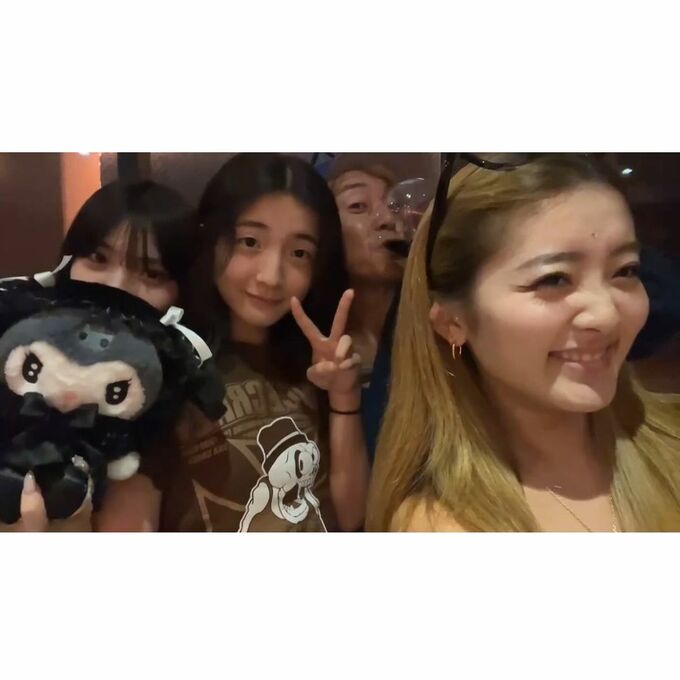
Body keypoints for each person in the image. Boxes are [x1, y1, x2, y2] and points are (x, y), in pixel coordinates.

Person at [366, 154, 680, 532]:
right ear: (453, 322)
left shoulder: (669, 443)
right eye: (554, 279)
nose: (607, 315)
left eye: (625, 271)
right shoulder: (442, 525)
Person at [104, 153, 370, 532]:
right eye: (250, 242)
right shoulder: (165, 368)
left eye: (299, 253)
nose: (271, 276)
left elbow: (352, 517)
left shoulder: (318, 366)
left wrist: (344, 398)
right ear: (210, 238)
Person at [0, 179, 202, 531]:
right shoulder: (15, 346)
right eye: (98, 258)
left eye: (152, 273)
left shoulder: (165, 415)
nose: (115, 285)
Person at [327, 155, 436, 461]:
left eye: (395, 205)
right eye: (358, 206)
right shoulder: (311, 343)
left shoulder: (440, 323)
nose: (388, 219)